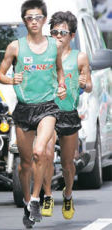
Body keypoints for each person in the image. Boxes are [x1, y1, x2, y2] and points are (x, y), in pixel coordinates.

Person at [0, 0, 66, 228]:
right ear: (24, 20)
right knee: (25, 164)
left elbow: (59, 69)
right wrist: (10, 79)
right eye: (29, 18)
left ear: (44, 20)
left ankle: (36, 199)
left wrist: (62, 85)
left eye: (38, 17)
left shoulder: (54, 46)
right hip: (24, 109)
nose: (34, 22)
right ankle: (28, 201)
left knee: (39, 152)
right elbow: (1, 74)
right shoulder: (15, 47)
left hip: (47, 107)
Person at [41, 11, 92, 220]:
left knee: (68, 163)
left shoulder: (79, 57)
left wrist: (83, 83)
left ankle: (68, 194)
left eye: (63, 32)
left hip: (68, 113)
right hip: (47, 112)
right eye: (54, 32)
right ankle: (47, 195)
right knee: (45, 152)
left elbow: (89, 86)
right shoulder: (43, 55)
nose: (58, 36)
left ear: (72, 35)